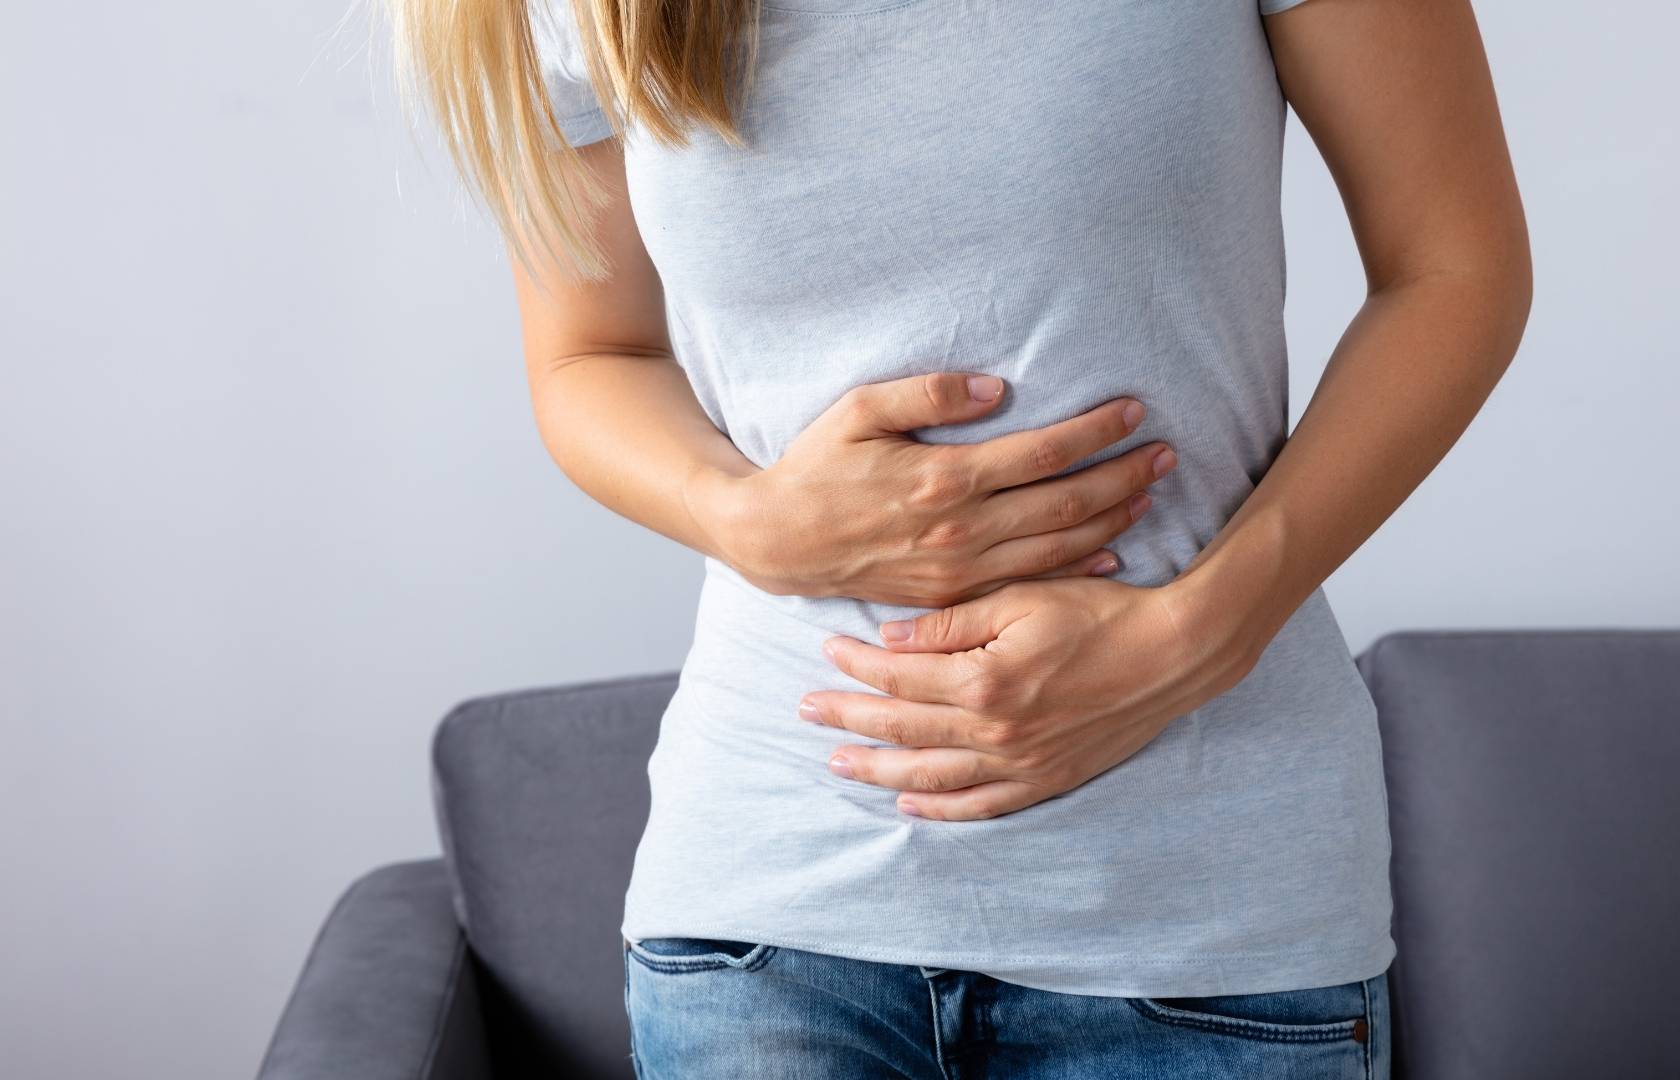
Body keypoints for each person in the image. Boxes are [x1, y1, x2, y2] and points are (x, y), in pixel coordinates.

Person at [390, 0, 1530, 1074]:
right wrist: (744, 519)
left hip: (1212, 929)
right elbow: (592, 356)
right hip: (769, 930)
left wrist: (1198, 634)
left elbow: (1455, 269)